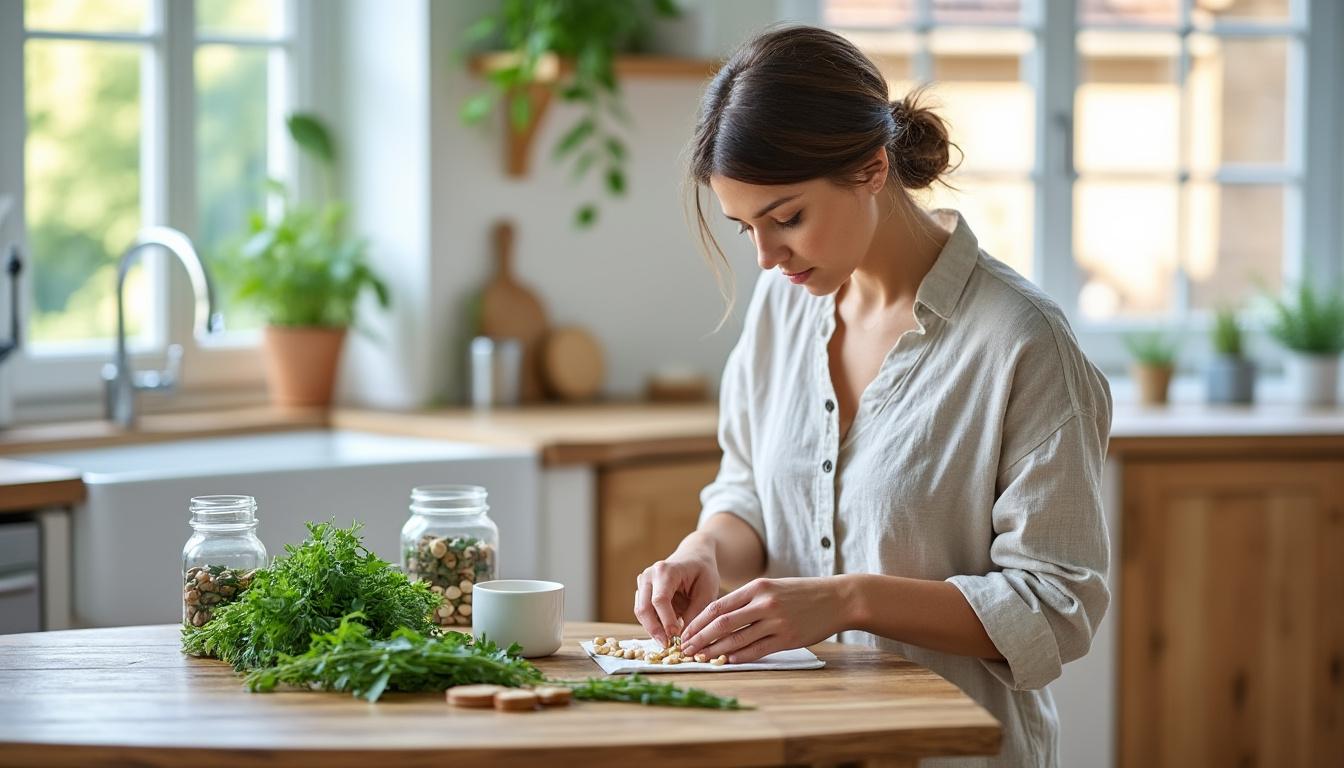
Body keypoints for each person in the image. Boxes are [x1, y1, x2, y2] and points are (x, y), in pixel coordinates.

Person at [634, 25, 1112, 768]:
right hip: (789, 742)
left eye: (787, 217)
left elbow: (1057, 608)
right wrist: (703, 551)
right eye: (746, 228)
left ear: (871, 169)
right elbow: (748, 495)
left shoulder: (1023, 344)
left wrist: (848, 598)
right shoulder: (783, 305)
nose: (766, 257)